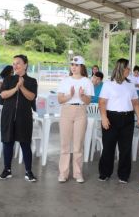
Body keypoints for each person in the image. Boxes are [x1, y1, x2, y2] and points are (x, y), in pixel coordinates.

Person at [98, 58, 139, 183]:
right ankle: (105, 173)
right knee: (108, 147)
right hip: (111, 118)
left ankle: (123, 175)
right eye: (128, 68)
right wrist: (104, 118)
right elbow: (102, 103)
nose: (129, 70)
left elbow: (136, 103)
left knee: (125, 148)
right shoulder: (108, 84)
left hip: (127, 118)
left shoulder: (130, 85)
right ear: (121, 68)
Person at [0, 55, 38, 182]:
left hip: (24, 117)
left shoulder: (32, 81)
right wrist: (16, 87)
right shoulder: (8, 79)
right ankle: (7, 170)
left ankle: (28, 171)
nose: (15, 66)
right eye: (14, 63)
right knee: (7, 143)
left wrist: (22, 87)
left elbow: (31, 97)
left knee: (25, 143)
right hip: (8, 116)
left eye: (18, 63)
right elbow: (3, 94)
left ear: (25, 65)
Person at [57, 55, 94, 183]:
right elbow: (60, 99)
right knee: (65, 144)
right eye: (72, 64)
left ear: (82, 67)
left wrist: (82, 96)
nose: (74, 67)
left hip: (81, 111)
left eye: (76, 65)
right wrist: (70, 96)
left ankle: (78, 173)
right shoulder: (65, 81)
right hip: (66, 110)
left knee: (78, 145)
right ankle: (63, 173)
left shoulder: (87, 81)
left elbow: (88, 101)